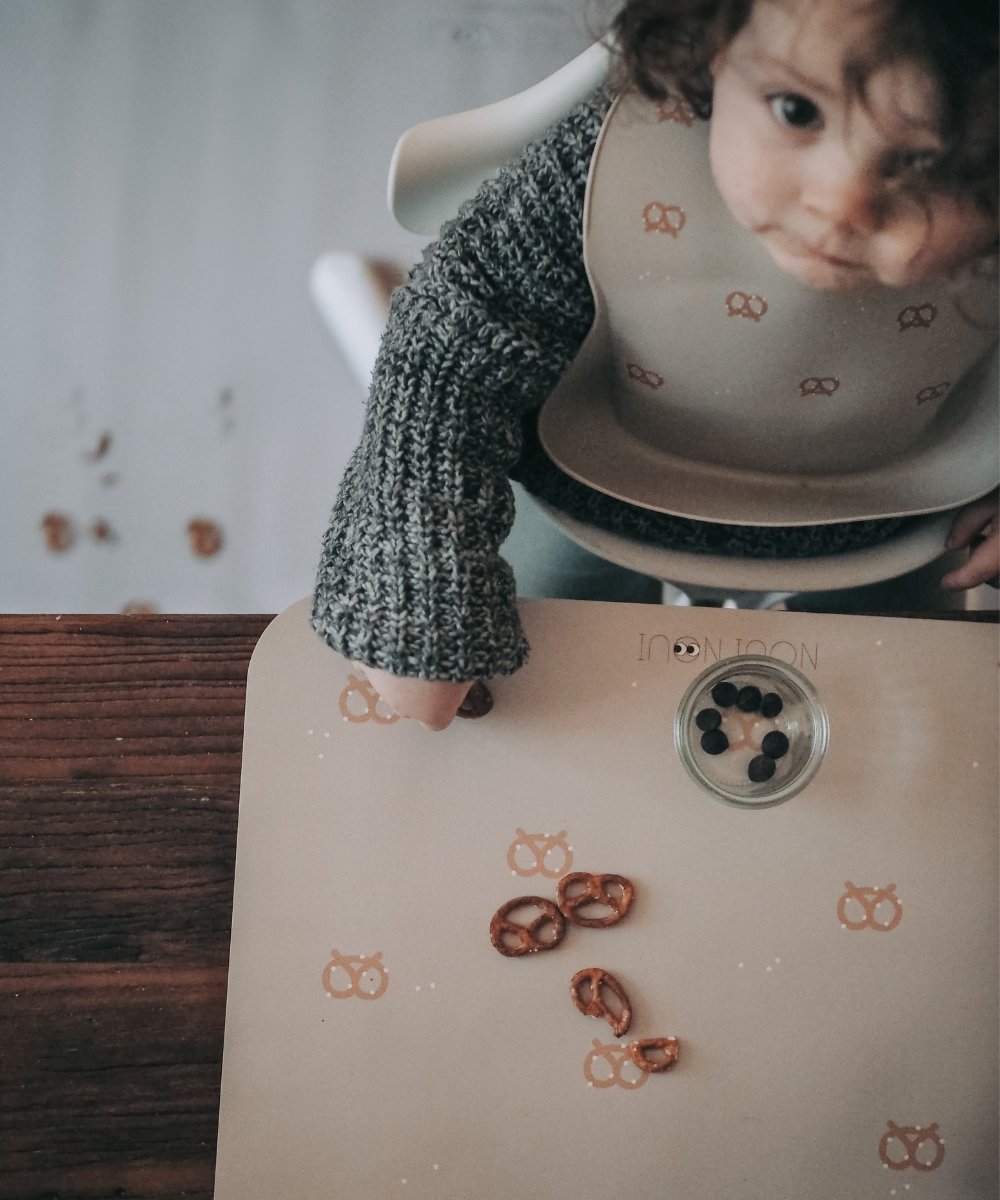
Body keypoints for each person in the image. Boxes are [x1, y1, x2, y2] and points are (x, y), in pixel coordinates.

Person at [312, 0, 999, 730]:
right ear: (713, 39)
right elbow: (452, 338)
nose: (840, 204)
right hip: (594, 478)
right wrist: (418, 600)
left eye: (929, 161)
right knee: (539, 707)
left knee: (907, 727)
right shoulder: (613, 158)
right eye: (797, 110)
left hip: (901, 516)